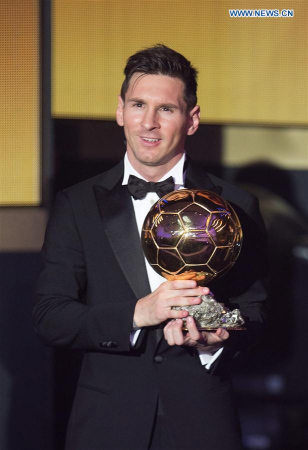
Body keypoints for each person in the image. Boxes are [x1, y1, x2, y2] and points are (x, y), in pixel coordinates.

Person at [34, 44, 268, 450]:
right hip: (106, 425)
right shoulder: (78, 203)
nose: (149, 123)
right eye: (139, 104)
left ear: (192, 120)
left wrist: (216, 340)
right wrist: (140, 313)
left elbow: (257, 313)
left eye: (166, 109)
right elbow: (51, 317)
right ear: (120, 110)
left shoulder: (236, 205)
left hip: (203, 423)